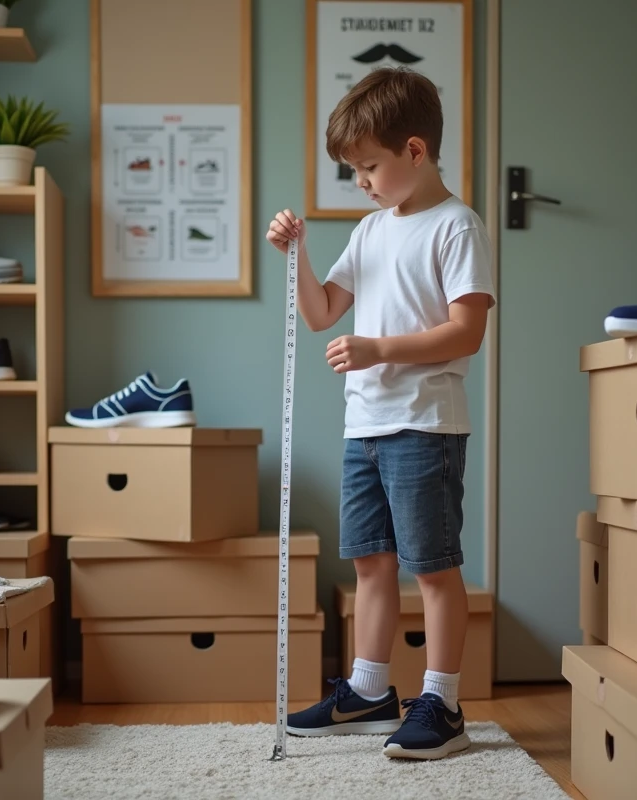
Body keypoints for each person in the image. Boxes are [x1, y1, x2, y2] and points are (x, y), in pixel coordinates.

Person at [265, 66, 496, 760]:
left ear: (416, 152)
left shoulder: (457, 227)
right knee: (371, 564)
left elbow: (467, 333)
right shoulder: (368, 232)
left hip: (424, 425)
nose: (361, 181)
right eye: (354, 169)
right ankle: (369, 689)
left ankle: (444, 703)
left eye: (369, 166)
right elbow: (319, 314)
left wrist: (379, 349)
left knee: (434, 566)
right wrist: (297, 255)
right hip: (364, 427)